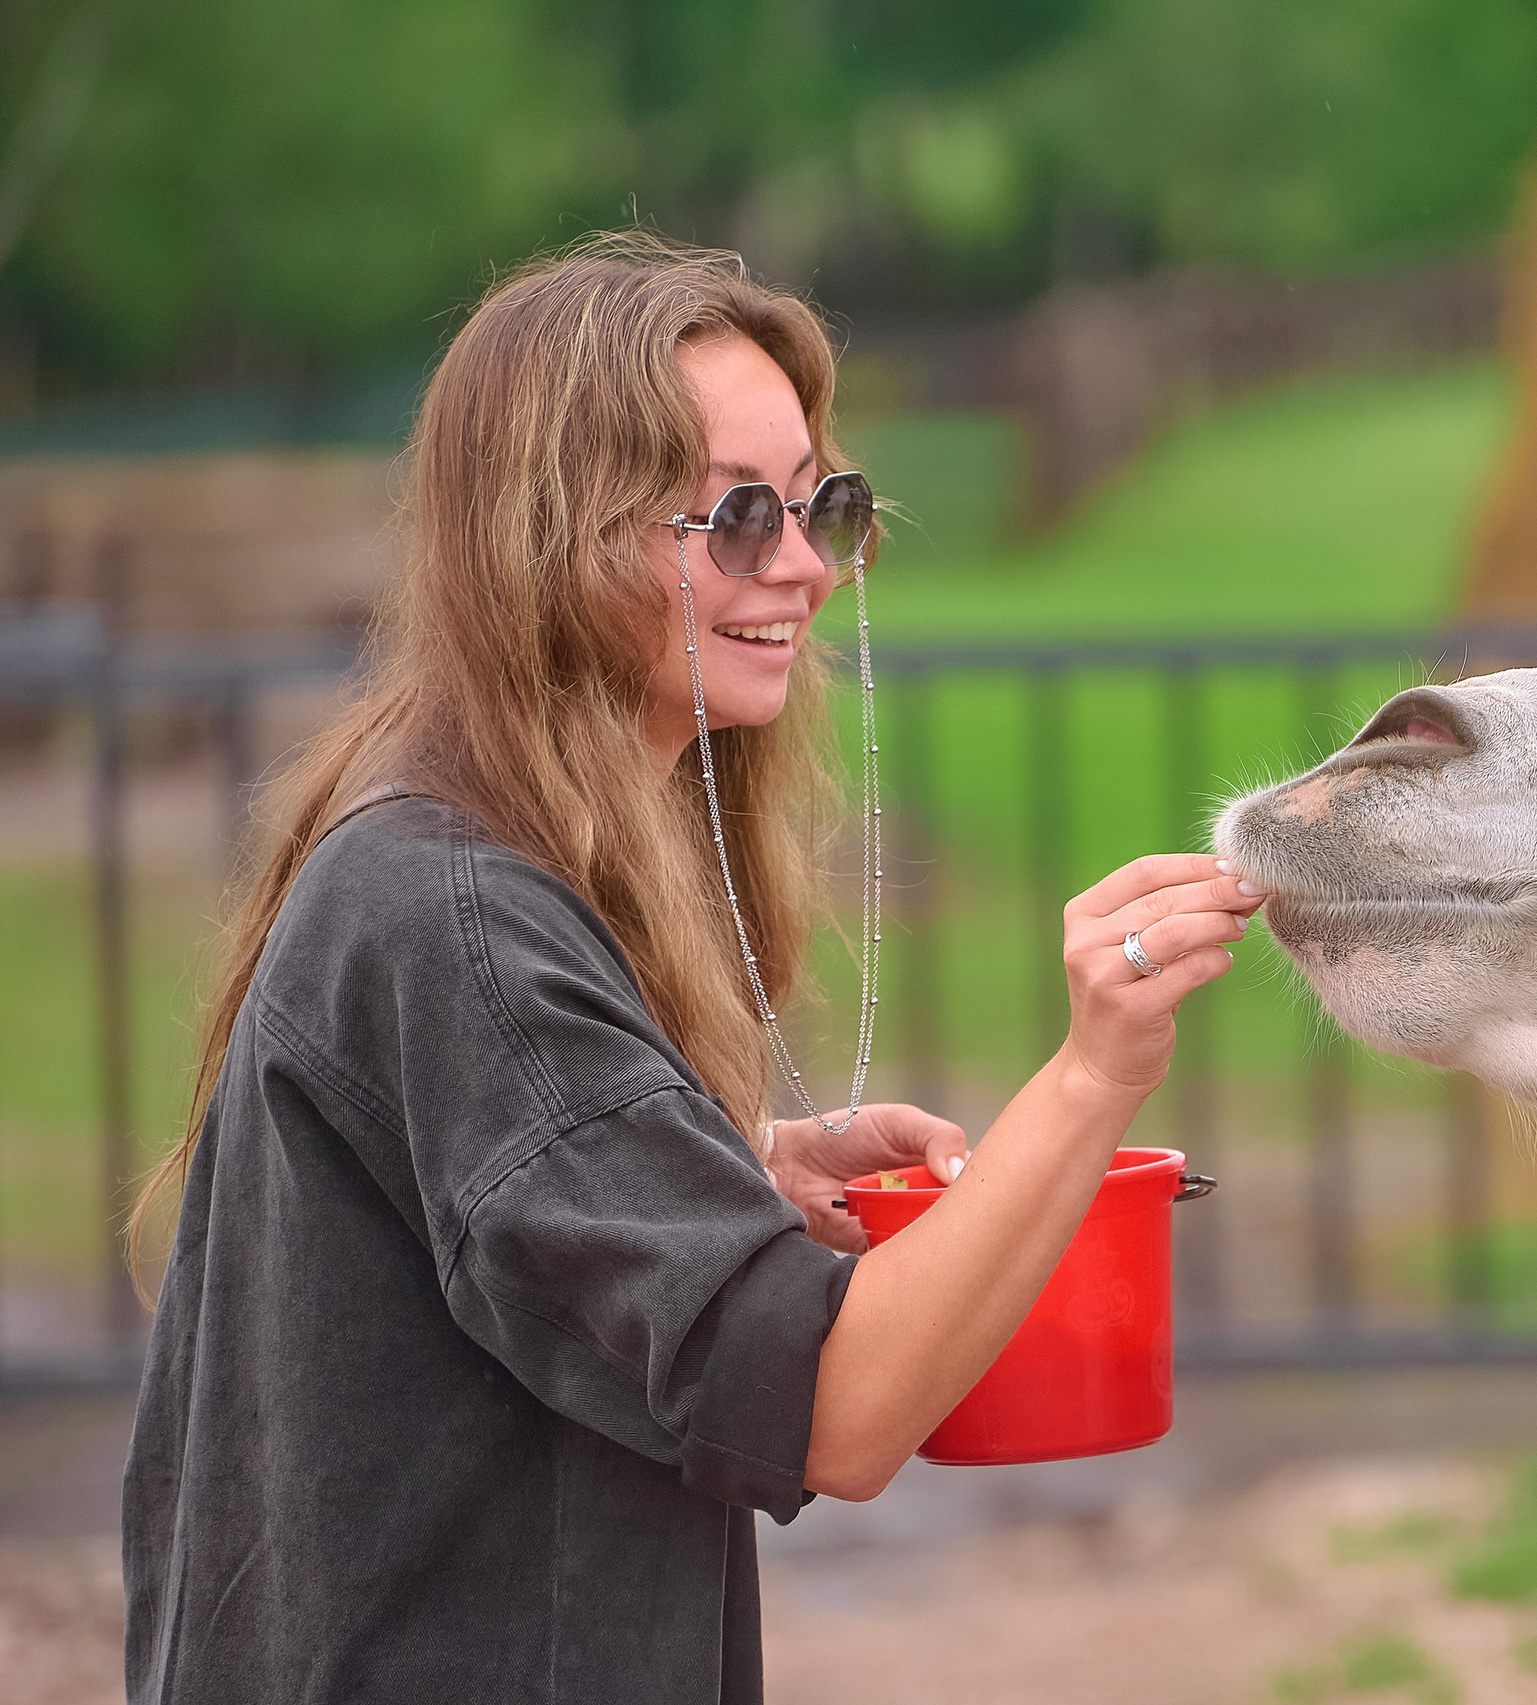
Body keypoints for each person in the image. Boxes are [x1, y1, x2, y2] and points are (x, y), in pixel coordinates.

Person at [119, 231, 1263, 1704]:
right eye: (732, 517)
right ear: (555, 537)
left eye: (819, 504)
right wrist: (1096, 1071)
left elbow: (489, 1209)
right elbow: (833, 1409)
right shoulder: (454, 910)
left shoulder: (470, 837)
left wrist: (719, 1163)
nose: (800, 565)